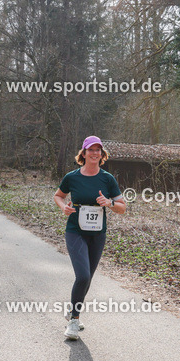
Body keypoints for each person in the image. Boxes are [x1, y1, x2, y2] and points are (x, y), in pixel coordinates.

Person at [53, 136, 126, 340]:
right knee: (83, 276)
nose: (95, 153)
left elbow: (122, 207)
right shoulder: (72, 177)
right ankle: (74, 321)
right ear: (83, 153)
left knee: (88, 279)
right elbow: (58, 195)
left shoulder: (107, 179)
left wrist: (109, 203)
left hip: (97, 235)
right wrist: (63, 207)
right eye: (91, 150)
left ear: (102, 154)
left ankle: (72, 310)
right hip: (75, 231)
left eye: (98, 150)